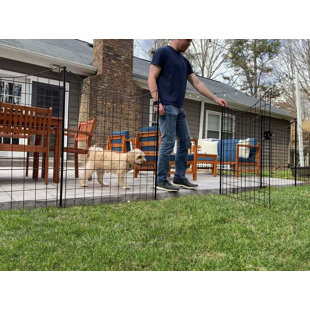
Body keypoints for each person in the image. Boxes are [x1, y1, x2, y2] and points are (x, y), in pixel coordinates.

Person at [148, 39, 227, 192]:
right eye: (188, 40)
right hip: (166, 105)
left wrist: (215, 99)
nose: (189, 44)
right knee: (168, 141)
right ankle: (160, 179)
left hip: (179, 108)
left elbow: (197, 83)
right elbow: (151, 77)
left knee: (185, 142)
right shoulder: (163, 52)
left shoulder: (185, 61)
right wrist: (157, 102)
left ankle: (179, 177)